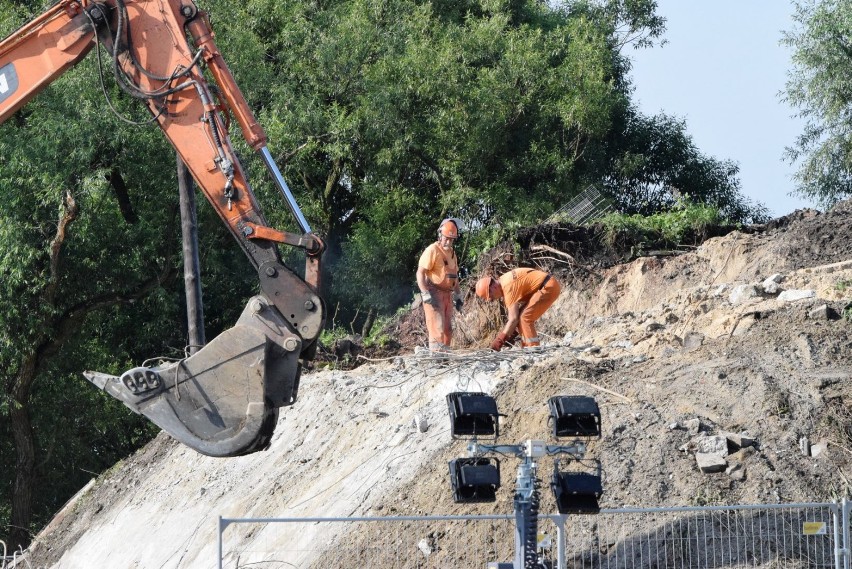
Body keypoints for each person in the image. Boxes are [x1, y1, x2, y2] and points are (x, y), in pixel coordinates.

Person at [474, 268, 560, 351]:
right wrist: (510, 333)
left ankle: (533, 349)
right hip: (545, 285)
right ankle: (527, 348)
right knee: (521, 317)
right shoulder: (504, 281)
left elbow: (513, 319)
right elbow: (515, 318)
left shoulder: (508, 287)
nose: (493, 299)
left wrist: (499, 341)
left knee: (525, 317)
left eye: (491, 297)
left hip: (548, 287)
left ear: (493, 287)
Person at [416, 219, 463, 353]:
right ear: (440, 235)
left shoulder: (453, 254)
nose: (448, 242)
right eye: (446, 238)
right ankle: (436, 358)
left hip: (447, 294)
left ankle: (445, 357)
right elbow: (420, 272)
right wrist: (424, 292)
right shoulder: (432, 250)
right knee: (437, 327)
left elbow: (454, 276)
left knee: (448, 328)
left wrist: (458, 295)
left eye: (451, 239)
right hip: (434, 293)